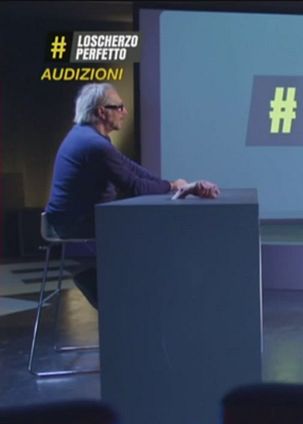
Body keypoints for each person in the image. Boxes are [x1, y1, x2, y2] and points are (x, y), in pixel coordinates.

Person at [45, 82, 220, 308]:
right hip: (73, 223)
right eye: (119, 107)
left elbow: (132, 169)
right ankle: (103, 285)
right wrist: (174, 186)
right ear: (101, 111)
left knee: (141, 229)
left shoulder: (89, 137)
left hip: (72, 218)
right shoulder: (94, 145)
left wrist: (175, 185)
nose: (125, 112)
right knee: (147, 229)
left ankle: (108, 285)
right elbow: (134, 186)